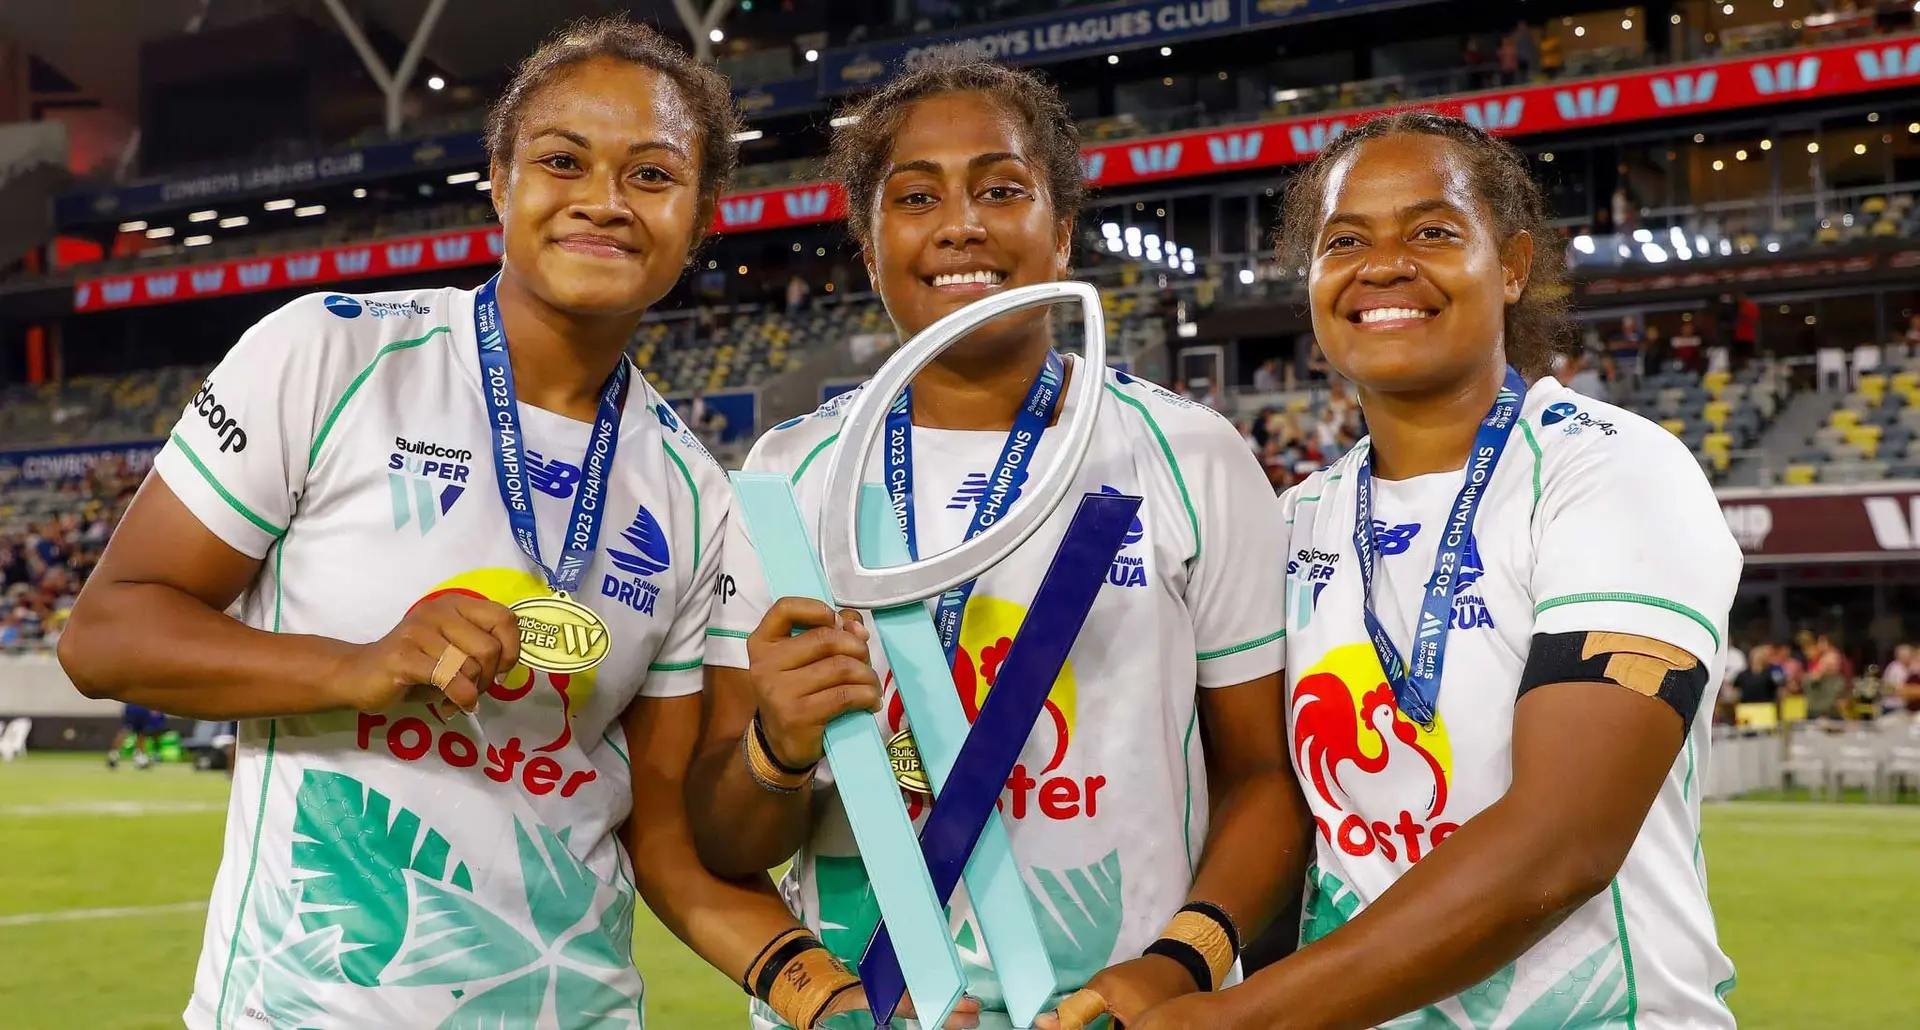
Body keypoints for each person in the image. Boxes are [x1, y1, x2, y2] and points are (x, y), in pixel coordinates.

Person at [59, 18, 805, 1028]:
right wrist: (357, 665)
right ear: (499, 181)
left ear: (702, 215)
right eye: (563, 161)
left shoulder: (693, 489)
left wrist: (821, 991)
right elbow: (107, 634)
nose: (603, 199)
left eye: (652, 174)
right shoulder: (328, 356)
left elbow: (666, 835)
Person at [688, 55, 1310, 1030]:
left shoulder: (1189, 452)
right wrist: (777, 746)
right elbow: (728, 838)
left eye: (1002, 189)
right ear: (868, 247)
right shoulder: (789, 474)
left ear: (1060, 231)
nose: (960, 224)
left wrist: (1178, 965)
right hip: (870, 1011)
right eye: (916, 197)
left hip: (1121, 1011)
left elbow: (1265, 780)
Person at [1128, 112, 1742, 1029]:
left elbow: (1563, 842)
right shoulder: (1292, 522)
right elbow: (1265, 800)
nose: (1383, 266)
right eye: (1345, 242)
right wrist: (1184, 961)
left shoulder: (1610, 470)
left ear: (1513, 265)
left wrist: (1243, 1018)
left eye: (1432, 232)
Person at [107, 702, 167, 769]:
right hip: (136, 705)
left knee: (141, 732)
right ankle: (114, 755)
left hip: (143, 706)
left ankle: (139, 757)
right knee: (127, 730)